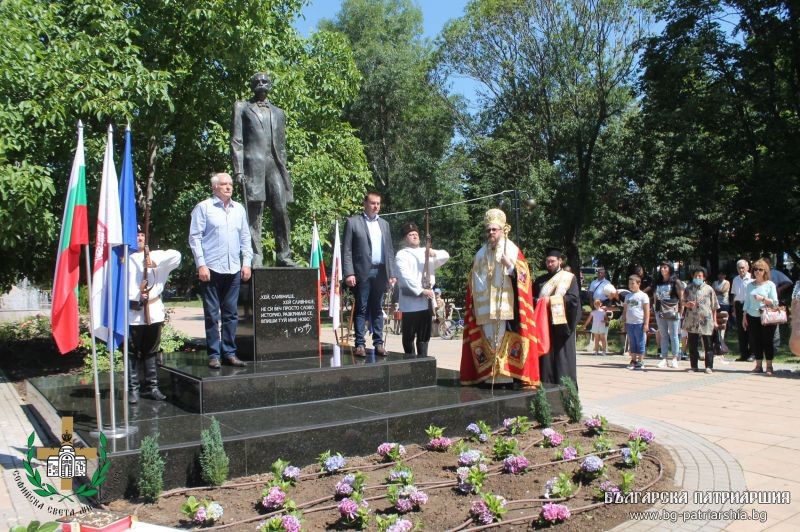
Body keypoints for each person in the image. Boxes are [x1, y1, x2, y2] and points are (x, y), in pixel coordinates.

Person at [460, 209, 542, 387]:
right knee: (488, 339)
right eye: (488, 230)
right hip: (484, 309)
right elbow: (472, 281)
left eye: (494, 230)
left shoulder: (511, 250)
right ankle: (489, 376)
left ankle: (505, 377)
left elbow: (525, 278)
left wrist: (511, 267)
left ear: (502, 230)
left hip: (506, 307)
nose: (490, 233)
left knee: (502, 340)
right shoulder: (480, 254)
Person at [231, 72, 296, 267]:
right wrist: (238, 170)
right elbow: (236, 140)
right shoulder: (242, 108)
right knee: (254, 213)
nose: (261, 84)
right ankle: (255, 256)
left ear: (270, 85)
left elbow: (281, 145)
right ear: (252, 86)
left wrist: (284, 171)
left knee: (281, 210)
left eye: (265, 81)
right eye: (257, 82)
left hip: (274, 166)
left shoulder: (279, 113)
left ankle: (284, 255)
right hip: (253, 166)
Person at [189, 172, 253, 369]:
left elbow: (245, 238)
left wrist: (247, 262)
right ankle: (214, 354)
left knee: (231, 314)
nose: (229, 187)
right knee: (212, 314)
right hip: (211, 269)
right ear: (215, 187)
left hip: (233, 268)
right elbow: (195, 238)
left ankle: (230, 353)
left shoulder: (239, 209)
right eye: (224, 184)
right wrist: (201, 264)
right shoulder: (204, 208)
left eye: (230, 184)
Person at [127, 228, 181, 403]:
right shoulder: (124, 258)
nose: (140, 238)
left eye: (142, 235)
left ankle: (152, 387)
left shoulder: (157, 255)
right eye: (136, 235)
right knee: (132, 352)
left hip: (154, 310)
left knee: (151, 351)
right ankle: (133, 389)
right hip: (133, 312)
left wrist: (153, 262)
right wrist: (136, 297)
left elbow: (177, 256)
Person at [342, 191, 397, 356]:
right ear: (365, 204)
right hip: (361, 272)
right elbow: (347, 251)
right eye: (373, 203)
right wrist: (349, 273)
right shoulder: (353, 222)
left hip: (380, 271)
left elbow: (389, 251)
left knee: (378, 308)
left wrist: (391, 273)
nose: (376, 207)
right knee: (361, 308)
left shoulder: (384, 224)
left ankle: (379, 343)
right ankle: (359, 344)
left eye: (378, 204)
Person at [395, 222, 450, 356]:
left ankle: (423, 362)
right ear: (405, 238)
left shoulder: (426, 253)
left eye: (416, 234)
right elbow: (405, 276)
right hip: (410, 303)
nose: (414, 236)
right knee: (408, 336)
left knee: (424, 337)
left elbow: (446, 256)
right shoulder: (402, 254)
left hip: (426, 303)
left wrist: (433, 252)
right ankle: (410, 362)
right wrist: (421, 291)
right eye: (410, 234)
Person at [534, 247, 581, 386]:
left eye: (552, 261)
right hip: (545, 325)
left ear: (560, 261)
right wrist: (539, 301)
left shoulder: (569, 278)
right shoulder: (540, 280)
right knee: (545, 359)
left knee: (563, 360)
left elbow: (573, 300)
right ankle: (545, 386)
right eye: (547, 261)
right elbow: (532, 298)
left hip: (562, 326)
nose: (549, 264)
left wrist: (552, 301)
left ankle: (565, 389)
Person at [743, 258, 779, 375]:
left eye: (760, 269)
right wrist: (744, 316)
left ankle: (769, 366)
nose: (757, 271)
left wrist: (762, 298)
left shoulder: (770, 285)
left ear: (765, 271)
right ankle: (758, 366)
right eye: (755, 269)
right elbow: (747, 302)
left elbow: (775, 303)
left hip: (766, 317)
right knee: (755, 341)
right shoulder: (749, 285)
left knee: (767, 341)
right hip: (752, 316)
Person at [682, 266, 719, 374]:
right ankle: (694, 366)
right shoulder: (688, 288)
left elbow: (714, 306)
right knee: (692, 344)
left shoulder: (709, 289)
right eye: (695, 276)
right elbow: (682, 302)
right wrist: (687, 304)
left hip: (706, 320)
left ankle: (709, 366)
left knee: (708, 344)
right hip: (692, 320)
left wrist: (715, 321)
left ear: (704, 277)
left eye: (700, 276)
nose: (697, 277)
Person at [653, 262, 683, 369]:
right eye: (661, 268)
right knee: (663, 335)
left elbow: (681, 297)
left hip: (672, 310)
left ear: (669, 268)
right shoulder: (658, 281)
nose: (662, 270)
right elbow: (655, 295)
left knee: (674, 335)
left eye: (665, 267)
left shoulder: (676, 281)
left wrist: (681, 310)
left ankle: (675, 358)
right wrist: (655, 309)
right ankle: (664, 358)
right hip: (659, 310)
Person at [621, 275, 650, 370]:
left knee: (640, 341)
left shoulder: (643, 296)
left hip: (639, 323)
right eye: (629, 284)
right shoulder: (628, 296)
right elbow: (625, 310)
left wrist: (646, 324)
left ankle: (640, 361)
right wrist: (624, 322)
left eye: (632, 283)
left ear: (639, 284)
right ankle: (633, 360)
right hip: (630, 323)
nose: (631, 285)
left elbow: (646, 311)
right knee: (632, 342)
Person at [766, 259, 792, 351]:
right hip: (762, 301)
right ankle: (765, 344)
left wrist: (780, 289)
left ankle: (775, 346)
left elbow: (789, 282)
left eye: (766, 262)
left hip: (774, 300)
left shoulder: (775, 273)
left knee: (774, 322)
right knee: (763, 323)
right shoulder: (759, 273)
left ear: (769, 264)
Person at [731, 259, 753, 361]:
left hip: (750, 305)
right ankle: (743, 354)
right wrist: (734, 309)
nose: (741, 270)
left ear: (747, 267)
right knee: (741, 330)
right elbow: (735, 295)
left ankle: (753, 353)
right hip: (739, 305)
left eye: (743, 267)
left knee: (751, 330)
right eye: (739, 268)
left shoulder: (752, 279)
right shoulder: (735, 279)